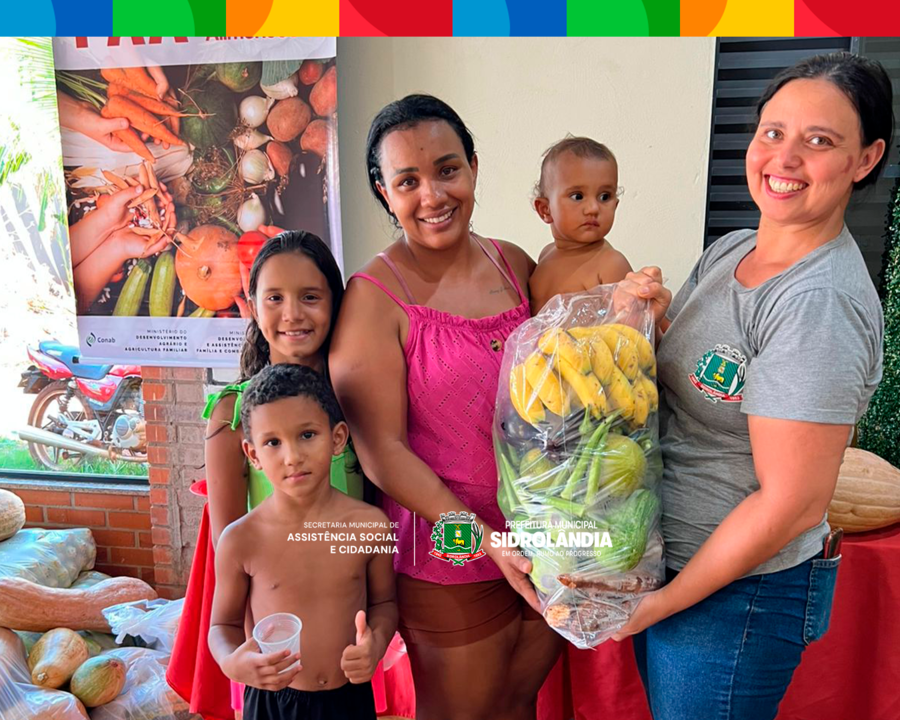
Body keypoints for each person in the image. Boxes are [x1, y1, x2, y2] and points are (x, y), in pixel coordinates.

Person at [611, 52, 891, 720]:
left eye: (819, 140)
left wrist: (665, 603)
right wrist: (643, 320)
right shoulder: (732, 249)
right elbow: (700, 383)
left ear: (865, 159)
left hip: (734, 598)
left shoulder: (818, 303)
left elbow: (791, 504)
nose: (785, 158)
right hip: (670, 562)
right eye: (773, 132)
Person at [330, 94, 563, 720]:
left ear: (474, 167)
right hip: (450, 553)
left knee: (518, 704)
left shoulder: (515, 264)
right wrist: (483, 540)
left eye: (447, 170)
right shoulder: (374, 299)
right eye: (408, 181)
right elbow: (382, 453)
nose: (432, 195)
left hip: (541, 542)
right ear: (384, 192)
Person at [167, 229, 365, 720]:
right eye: (274, 298)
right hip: (277, 654)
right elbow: (227, 546)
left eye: (310, 296)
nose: (292, 313)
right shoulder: (232, 413)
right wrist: (242, 653)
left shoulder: (357, 402)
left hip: (349, 646)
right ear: (252, 305)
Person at [209, 363, 397, 720]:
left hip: (349, 698)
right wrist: (232, 662)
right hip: (272, 702)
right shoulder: (241, 539)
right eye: (273, 442)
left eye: (307, 435)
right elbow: (222, 626)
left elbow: (385, 603)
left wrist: (376, 643)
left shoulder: (370, 527)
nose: (292, 456)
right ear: (253, 455)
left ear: (337, 438)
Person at [528, 136, 633, 314]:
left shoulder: (611, 264)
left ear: (615, 205)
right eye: (577, 196)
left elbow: (634, 325)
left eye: (604, 197)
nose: (593, 208)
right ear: (545, 209)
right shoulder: (546, 254)